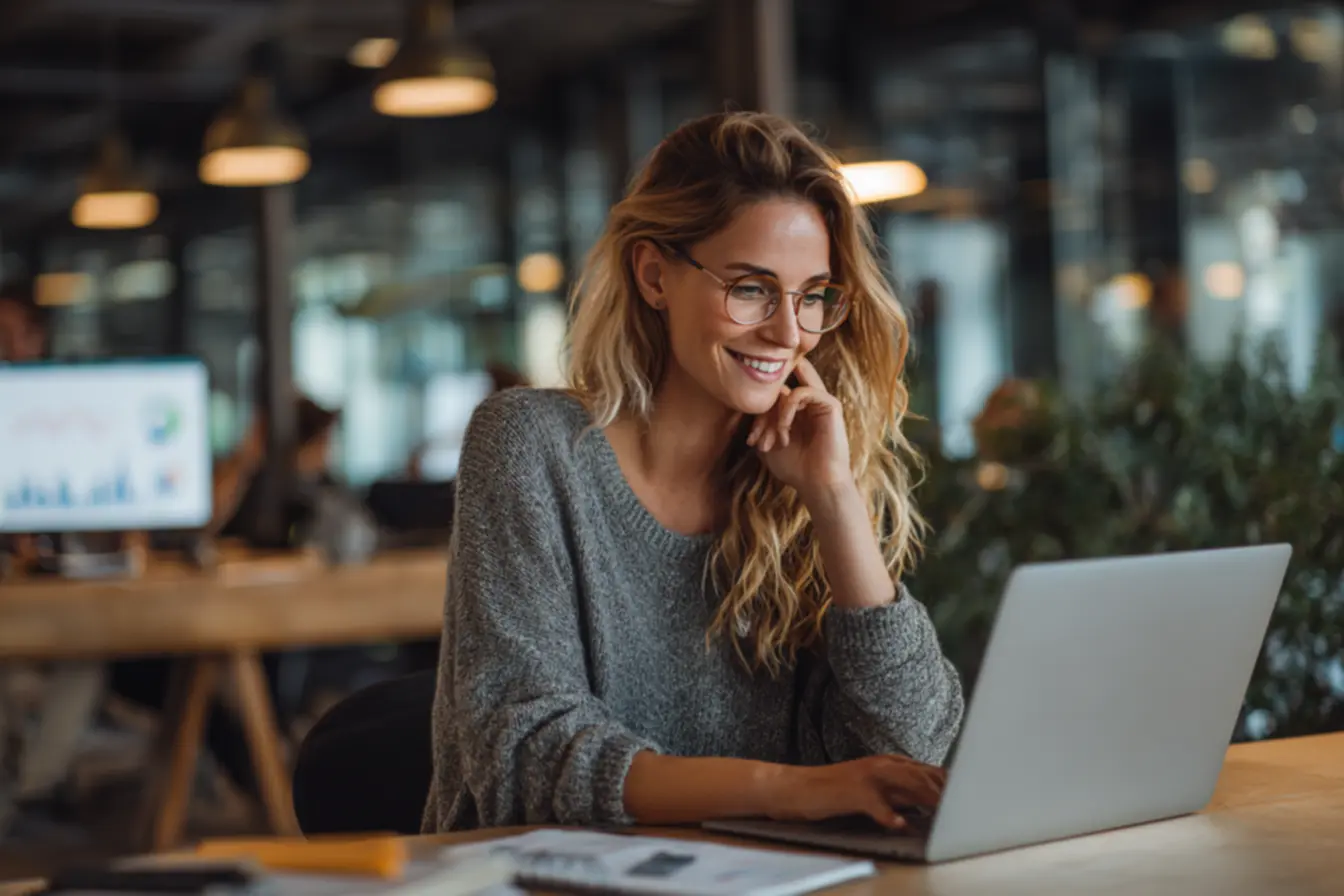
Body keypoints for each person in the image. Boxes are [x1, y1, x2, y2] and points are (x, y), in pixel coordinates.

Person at [422, 112, 964, 835]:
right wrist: (791, 790)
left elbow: (915, 750)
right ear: (653, 275)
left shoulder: (799, 480)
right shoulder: (531, 446)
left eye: (812, 296)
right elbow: (530, 755)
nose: (788, 331)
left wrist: (834, 500)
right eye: (750, 288)